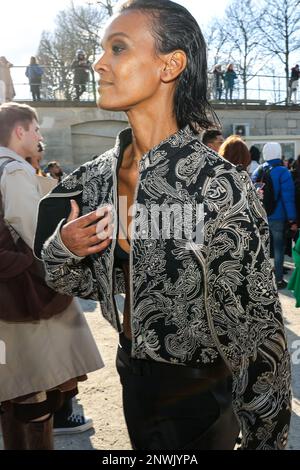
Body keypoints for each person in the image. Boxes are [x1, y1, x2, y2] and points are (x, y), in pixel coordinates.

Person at [35, 0, 291, 450]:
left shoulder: (219, 185)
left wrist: (266, 438)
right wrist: (66, 247)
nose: (98, 63)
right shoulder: (94, 179)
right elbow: (71, 281)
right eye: (102, 49)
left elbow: (258, 328)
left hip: (202, 390)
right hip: (132, 373)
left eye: (118, 48)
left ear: (170, 65)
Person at [0, 102, 104, 449]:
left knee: (13, 390)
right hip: (23, 295)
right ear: (19, 132)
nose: (39, 136)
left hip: (9, 293)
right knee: (34, 390)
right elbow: (36, 232)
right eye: (35, 130)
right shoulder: (12, 170)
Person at [252, 142, 297, 289]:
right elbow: (288, 198)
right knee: (278, 249)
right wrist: (292, 218)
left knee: (263, 249)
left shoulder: (258, 171)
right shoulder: (283, 172)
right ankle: (278, 280)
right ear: (278, 153)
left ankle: (264, 279)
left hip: (260, 217)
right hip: (278, 217)